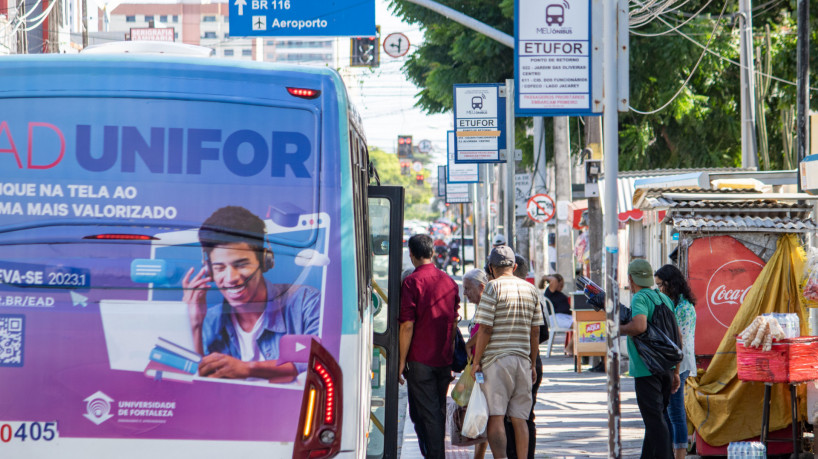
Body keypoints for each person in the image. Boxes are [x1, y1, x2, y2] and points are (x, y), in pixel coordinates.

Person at [182, 206, 321, 382]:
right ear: (209, 270)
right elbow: (197, 387)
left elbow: (318, 361)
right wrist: (194, 325)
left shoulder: (305, 303)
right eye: (220, 268)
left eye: (241, 265)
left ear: (264, 260)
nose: (231, 278)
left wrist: (247, 369)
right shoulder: (209, 321)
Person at [472, 246, 544, 459]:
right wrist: (532, 363)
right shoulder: (531, 290)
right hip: (522, 361)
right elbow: (535, 331)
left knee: (496, 416)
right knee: (520, 418)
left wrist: (477, 361)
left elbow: (485, 328)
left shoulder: (492, 288)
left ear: (491, 268)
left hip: (496, 361)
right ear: (514, 266)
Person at [399, 234, 460, 459]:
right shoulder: (449, 282)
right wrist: (449, 351)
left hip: (419, 360)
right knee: (427, 412)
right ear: (433, 252)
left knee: (430, 414)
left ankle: (435, 455)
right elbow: (454, 321)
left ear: (411, 255)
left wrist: (401, 362)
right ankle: (431, 453)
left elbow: (406, 325)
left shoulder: (411, 282)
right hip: (443, 359)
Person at [620, 259, 680, 459]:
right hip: (667, 368)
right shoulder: (664, 298)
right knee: (656, 418)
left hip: (646, 369)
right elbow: (677, 335)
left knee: (655, 420)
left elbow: (639, 326)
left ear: (631, 278)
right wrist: (676, 371)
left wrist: (616, 329)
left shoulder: (640, 298)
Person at [655, 264, 696, 459]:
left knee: (676, 412)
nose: (659, 289)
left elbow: (678, 341)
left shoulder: (683, 308)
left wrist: (674, 370)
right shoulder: (674, 304)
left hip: (679, 363)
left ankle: (679, 454)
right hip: (673, 362)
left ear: (671, 283)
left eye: (661, 285)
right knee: (670, 412)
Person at [505, 254, 544, 459]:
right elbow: (540, 332)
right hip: (531, 362)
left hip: (511, 362)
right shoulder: (532, 294)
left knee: (507, 416)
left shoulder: (500, 291)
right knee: (525, 416)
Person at [462, 268, 490, 459]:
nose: (465, 293)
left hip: (482, 366)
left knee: (482, 413)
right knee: (474, 410)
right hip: (474, 365)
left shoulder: (487, 307)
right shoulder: (480, 307)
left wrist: (468, 345)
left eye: (467, 289)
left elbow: (484, 332)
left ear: (481, 287)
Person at [539, 273, 573, 357]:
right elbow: (553, 280)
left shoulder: (557, 293)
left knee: (581, 324)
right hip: (558, 318)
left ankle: (571, 348)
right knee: (579, 325)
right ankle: (570, 348)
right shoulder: (550, 292)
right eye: (560, 283)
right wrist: (545, 277)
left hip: (565, 317)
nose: (562, 285)